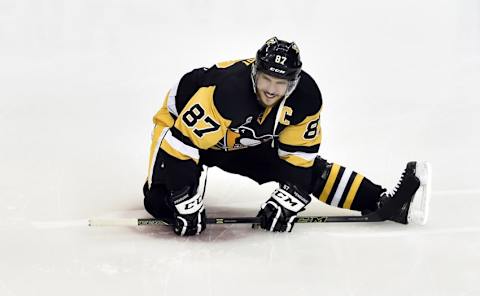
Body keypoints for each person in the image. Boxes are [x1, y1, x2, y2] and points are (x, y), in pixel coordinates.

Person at [143, 37, 431, 236]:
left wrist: (290, 197)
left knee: (309, 172)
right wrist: (183, 201)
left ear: (293, 83)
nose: (270, 89)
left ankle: (382, 201)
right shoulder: (227, 93)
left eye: (280, 83)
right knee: (158, 204)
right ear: (255, 72)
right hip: (180, 127)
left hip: (240, 136)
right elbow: (181, 146)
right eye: (266, 79)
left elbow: (299, 161)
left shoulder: (305, 99)